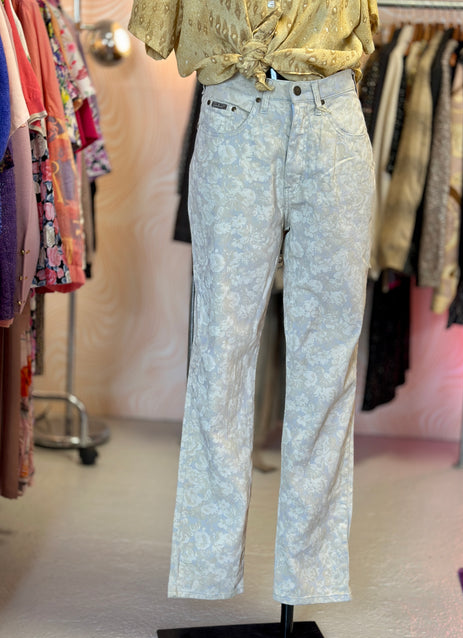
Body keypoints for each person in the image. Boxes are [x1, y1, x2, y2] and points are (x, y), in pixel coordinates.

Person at [128, 0, 379, 606]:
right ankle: (209, 572)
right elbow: (159, 29)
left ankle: (310, 578)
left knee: (329, 361)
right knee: (221, 352)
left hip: (333, 122)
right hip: (234, 118)